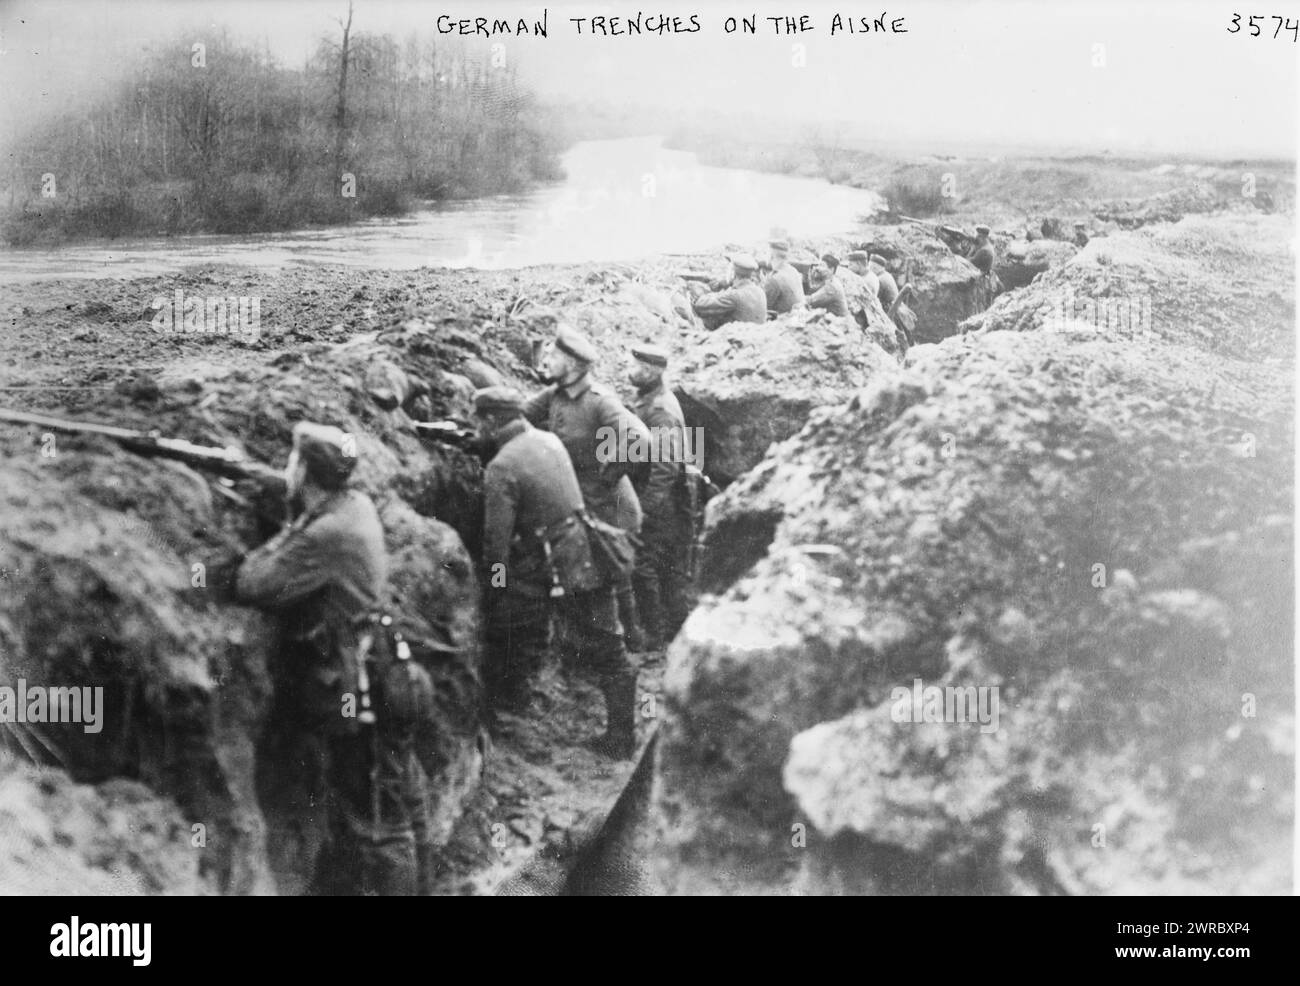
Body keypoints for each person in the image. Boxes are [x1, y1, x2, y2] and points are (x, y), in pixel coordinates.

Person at [235, 422, 437, 895]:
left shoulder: (326, 533)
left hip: (365, 687)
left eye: (293, 461)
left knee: (378, 823)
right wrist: (277, 487)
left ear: (305, 471)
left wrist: (282, 529)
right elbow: (317, 509)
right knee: (399, 793)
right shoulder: (354, 504)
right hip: (392, 668)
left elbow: (254, 582)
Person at [476, 386, 638, 759]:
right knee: (609, 642)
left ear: (489, 421)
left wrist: (494, 589)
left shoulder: (502, 468)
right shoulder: (547, 439)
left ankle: (512, 708)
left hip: (562, 567)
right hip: (587, 550)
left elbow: (495, 547)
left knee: (509, 623)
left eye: (477, 420)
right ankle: (622, 733)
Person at [525, 325, 651, 652]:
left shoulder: (599, 402)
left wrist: (606, 477)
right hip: (582, 502)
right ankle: (606, 646)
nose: (547, 360)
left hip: (611, 506)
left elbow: (640, 439)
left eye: (554, 356)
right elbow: (518, 416)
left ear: (576, 366)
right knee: (596, 576)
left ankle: (627, 646)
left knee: (610, 575)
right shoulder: (554, 395)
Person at [626, 343, 694, 651]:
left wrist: (645, 509)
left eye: (636, 366)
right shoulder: (649, 400)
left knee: (645, 565)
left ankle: (655, 636)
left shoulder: (661, 411)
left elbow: (665, 467)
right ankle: (676, 630)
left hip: (661, 500)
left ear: (652, 372)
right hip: (659, 497)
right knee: (667, 567)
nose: (630, 370)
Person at [689, 253, 767, 330]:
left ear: (733, 273)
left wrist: (700, 291)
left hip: (737, 339)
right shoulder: (759, 291)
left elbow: (700, 304)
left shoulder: (735, 295)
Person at [763, 239, 806, 315]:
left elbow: (763, 308)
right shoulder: (793, 271)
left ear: (771, 256)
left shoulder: (774, 279)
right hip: (797, 317)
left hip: (783, 322)